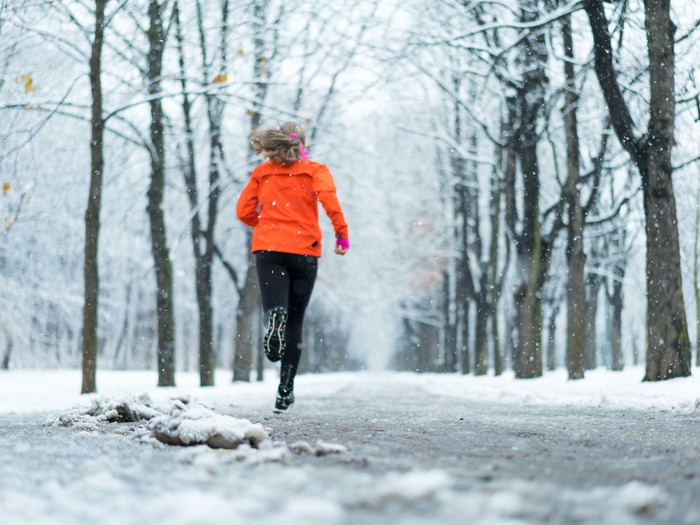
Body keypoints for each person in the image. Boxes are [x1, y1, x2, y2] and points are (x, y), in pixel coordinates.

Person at [236, 122, 349, 412]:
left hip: (269, 249)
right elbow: (330, 201)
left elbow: (243, 211)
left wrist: (264, 226)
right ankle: (285, 390)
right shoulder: (315, 170)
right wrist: (341, 234)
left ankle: (274, 316)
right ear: (301, 144)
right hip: (304, 252)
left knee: (277, 309)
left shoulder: (262, 172)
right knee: (296, 322)